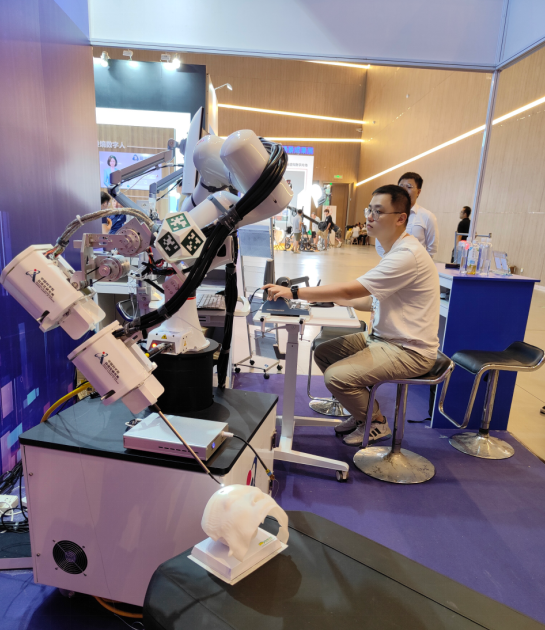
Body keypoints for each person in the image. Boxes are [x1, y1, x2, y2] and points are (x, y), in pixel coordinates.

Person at [264, 184, 440, 446]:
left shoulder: (407, 255)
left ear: (401, 218)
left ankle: (376, 422)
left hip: (409, 350)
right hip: (384, 340)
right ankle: (362, 414)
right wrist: (332, 299)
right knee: (324, 352)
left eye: (378, 212)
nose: (369, 217)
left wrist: (296, 292)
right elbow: (370, 299)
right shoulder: (394, 250)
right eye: (369, 209)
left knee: (336, 377)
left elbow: (352, 289)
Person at [375, 172, 438, 259]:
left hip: (415, 264)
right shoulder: (388, 214)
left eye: (409, 186)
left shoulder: (427, 216)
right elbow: (379, 241)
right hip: (390, 262)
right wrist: (390, 260)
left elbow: (432, 248)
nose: (404, 190)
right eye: (401, 186)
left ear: (418, 192)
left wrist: (418, 262)